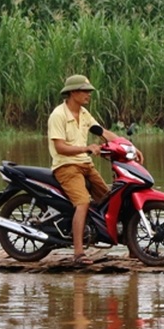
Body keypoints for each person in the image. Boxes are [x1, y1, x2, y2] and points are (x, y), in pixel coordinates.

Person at [48, 74, 142, 266]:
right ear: (73, 92)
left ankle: (134, 248)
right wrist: (86, 148)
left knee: (111, 198)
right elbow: (59, 147)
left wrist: (129, 147)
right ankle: (78, 254)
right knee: (82, 203)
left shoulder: (83, 114)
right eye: (85, 91)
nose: (89, 95)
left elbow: (103, 132)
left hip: (85, 165)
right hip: (66, 166)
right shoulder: (58, 115)